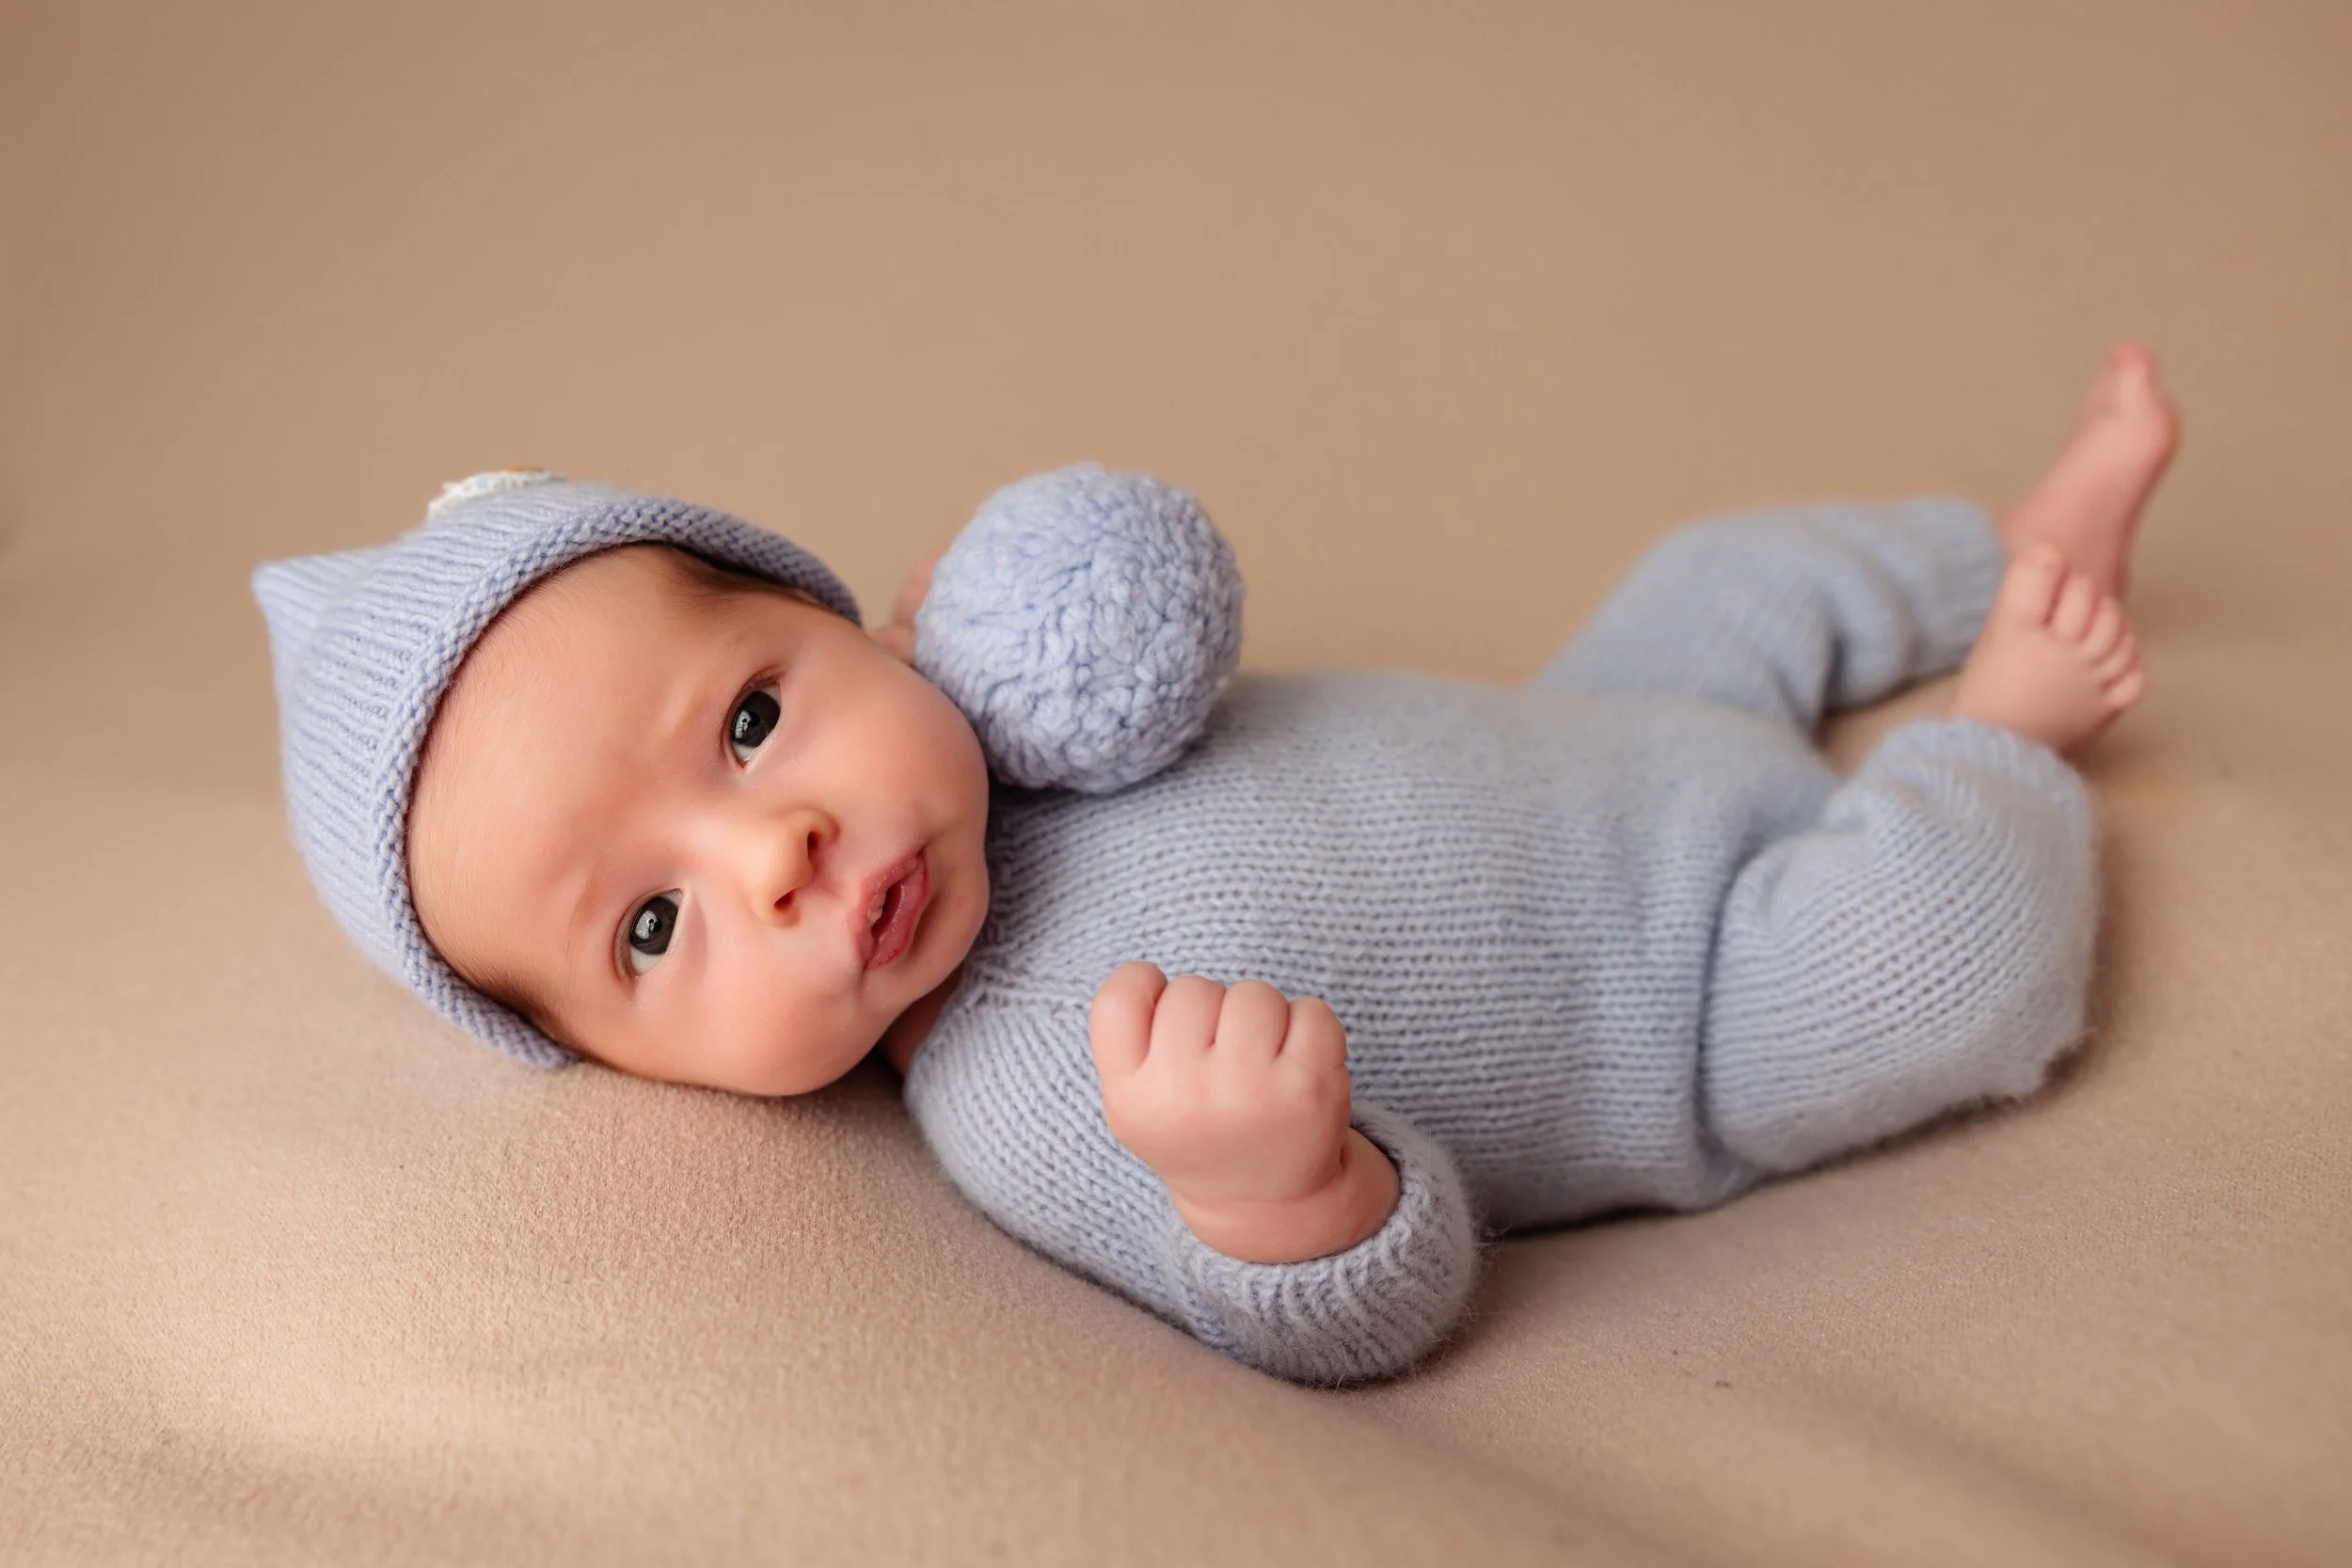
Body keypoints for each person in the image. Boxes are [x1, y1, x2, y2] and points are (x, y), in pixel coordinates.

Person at [252, 347, 2177, 1385]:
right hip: (1689, 998)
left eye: (753, 719)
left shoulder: (1018, 697)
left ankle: (1999, 541)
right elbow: (1364, 1313)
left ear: (841, 615)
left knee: (1717, 580)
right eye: (652, 924)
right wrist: (1281, 1189)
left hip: (1597, 731)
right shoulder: (1038, 1097)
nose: (777, 850)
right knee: (1927, 960)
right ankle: (1998, 733)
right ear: (619, 1060)